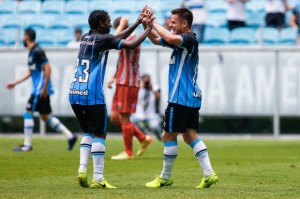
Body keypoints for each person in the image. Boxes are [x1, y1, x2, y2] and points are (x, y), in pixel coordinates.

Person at [69, 9, 154, 189]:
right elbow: (129, 44)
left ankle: (82, 169)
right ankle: (98, 178)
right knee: (100, 133)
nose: (110, 24)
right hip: (92, 95)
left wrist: (138, 23)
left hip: (75, 92)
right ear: (101, 23)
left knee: (88, 132)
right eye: (108, 22)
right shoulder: (104, 39)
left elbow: (115, 37)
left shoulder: (86, 36)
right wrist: (148, 29)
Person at [142, 7, 218, 188]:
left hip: (180, 98)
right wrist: (145, 24)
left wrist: (153, 22)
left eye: (173, 22)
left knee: (167, 136)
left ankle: (165, 176)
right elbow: (155, 39)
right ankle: (209, 174)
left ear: (185, 24)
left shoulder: (189, 38)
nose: (170, 24)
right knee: (190, 136)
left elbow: (168, 37)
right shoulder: (181, 42)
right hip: (190, 98)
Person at [6, 29, 77, 152]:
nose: (23, 38)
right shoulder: (32, 52)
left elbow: (48, 68)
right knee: (45, 116)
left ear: (27, 37)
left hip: (39, 88)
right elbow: (30, 71)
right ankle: (70, 136)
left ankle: (27, 145)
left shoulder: (38, 51)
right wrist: (16, 82)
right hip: (41, 88)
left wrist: (44, 88)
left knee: (27, 112)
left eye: (24, 36)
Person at [107, 17, 152, 161]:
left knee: (124, 117)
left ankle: (128, 152)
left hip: (128, 82)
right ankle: (142, 137)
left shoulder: (132, 38)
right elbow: (121, 60)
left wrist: (123, 25)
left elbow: (115, 39)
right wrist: (114, 77)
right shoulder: (122, 39)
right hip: (120, 81)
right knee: (115, 117)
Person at [130, 75, 162, 141]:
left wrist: (152, 88)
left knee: (154, 126)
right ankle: (142, 136)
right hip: (139, 114)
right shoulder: (139, 88)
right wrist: (139, 87)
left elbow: (158, 97)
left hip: (151, 114)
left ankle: (160, 136)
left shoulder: (154, 88)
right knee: (129, 122)